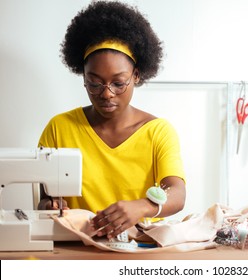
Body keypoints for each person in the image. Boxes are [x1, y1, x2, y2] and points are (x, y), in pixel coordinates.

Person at [38, 0, 186, 240]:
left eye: (118, 83)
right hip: (79, 246)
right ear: (83, 77)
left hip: (138, 248)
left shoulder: (158, 132)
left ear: (136, 75)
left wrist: (142, 207)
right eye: (94, 83)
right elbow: (44, 198)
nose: (106, 93)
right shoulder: (59, 128)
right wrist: (50, 205)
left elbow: (177, 193)